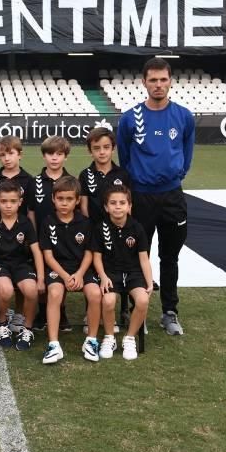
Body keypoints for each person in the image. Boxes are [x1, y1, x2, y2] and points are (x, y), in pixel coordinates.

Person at [116, 57, 195, 336]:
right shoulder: (130, 118)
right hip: (141, 197)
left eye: (163, 79)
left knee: (169, 257)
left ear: (170, 81)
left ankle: (169, 311)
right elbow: (124, 158)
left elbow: (187, 154)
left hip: (172, 197)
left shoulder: (184, 116)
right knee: (136, 255)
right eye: (153, 80)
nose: (158, 85)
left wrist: (176, 173)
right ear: (144, 82)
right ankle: (130, 310)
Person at [39, 176, 103, 364]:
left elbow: (90, 252)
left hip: (81, 268)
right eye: (60, 199)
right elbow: (48, 256)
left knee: (94, 293)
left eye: (69, 199)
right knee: (55, 292)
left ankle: (91, 341)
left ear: (77, 200)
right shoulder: (47, 222)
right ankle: (53, 344)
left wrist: (80, 274)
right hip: (58, 269)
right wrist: (66, 276)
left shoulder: (85, 222)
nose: (64, 203)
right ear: (53, 199)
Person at [78, 126, 132, 332]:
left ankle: (116, 312)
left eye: (106, 147)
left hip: (117, 231)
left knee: (115, 268)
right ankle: (89, 313)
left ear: (113, 149)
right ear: (90, 151)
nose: (102, 152)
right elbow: (83, 206)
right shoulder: (85, 175)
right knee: (93, 272)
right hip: (94, 232)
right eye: (97, 148)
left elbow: (128, 204)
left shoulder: (123, 175)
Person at [0, 179, 44, 352]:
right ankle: (2, 323)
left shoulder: (25, 223)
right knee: (6, 291)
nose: (8, 205)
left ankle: (27, 328)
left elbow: (37, 251)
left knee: (31, 291)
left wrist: (40, 278)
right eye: (3, 201)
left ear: (20, 202)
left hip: (21, 264)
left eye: (12, 201)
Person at [93, 186, 153, 361]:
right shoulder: (100, 228)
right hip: (110, 273)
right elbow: (97, 257)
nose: (117, 207)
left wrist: (149, 282)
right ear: (106, 207)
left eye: (122, 203)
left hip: (133, 273)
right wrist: (103, 276)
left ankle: (129, 337)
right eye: (113, 203)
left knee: (142, 299)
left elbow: (143, 259)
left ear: (129, 206)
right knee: (109, 300)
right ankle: (110, 337)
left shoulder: (137, 228)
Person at [0, 135, 34, 335]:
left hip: (21, 235)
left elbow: (29, 211)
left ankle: (20, 314)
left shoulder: (27, 180)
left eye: (11, 153)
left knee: (23, 276)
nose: (7, 158)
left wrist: (32, 236)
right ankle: (2, 317)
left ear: (19, 155)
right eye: (2, 155)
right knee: (4, 280)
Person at [30, 135, 74, 332]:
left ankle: (61, 309)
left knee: (62, 270)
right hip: (40, 236)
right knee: (42, 274)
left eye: (59, 154)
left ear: (65, 156)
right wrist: (33, 234)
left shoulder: (72, 181)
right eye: (50, 153)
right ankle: (41, 309)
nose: (54, 158)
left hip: (64, 238)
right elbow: (31, 211)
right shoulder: (35, 181)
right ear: (44, 156)